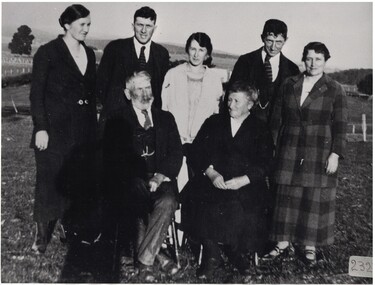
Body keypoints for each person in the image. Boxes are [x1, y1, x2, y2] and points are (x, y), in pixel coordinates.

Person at [264, 42, 348, 265]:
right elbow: (276, 120)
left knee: (312, 197)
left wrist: (336, 153)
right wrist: (273, 146)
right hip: (289, 147)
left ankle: (309, 245)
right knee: (285, 194)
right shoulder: (289, 84)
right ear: (303, 59)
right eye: (309, 58)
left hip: (318, 149)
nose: (313, 63)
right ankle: (281, 243)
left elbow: (340, 125)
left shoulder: (335, 89)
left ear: (325, 61)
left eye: (318, 59)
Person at [184, 81, 274, 280]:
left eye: (236, 101)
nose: (230, 105)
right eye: (229, 99)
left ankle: (238, 253)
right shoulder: (214, 122)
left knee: (245, 206)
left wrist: (246, 179)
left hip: (246, 184)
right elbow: (195, 151)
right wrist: (211, 173)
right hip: (214, 180)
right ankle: (212, 254)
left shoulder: (260, 128)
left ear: (250, 105)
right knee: (199, 200)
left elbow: (267, 162)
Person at [29, 4, 97, 254]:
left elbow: (89, 93)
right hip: (53, 133)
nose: (86, 30)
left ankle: (70, 229)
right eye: (82, 25)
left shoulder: (89, 54)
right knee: (49, 183)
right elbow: (36, 95)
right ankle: (41, 236)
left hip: (81, 134)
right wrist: (41, 128)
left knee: (76, 183)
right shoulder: (48, 53)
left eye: (89, 25)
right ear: (67, 25)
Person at [103, 71, 183, 282]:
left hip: (160, 179)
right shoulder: (117, 119)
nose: (145, 93)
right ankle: (159, 257)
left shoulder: (166, 118)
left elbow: (176, 153)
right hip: (130, 180)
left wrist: (159, 176)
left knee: (168, 201)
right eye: (139, 89)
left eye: (148, 88)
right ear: (128, 94)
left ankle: (146, 261)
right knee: (137, 198)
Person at [96, 6, 170, 116]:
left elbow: (161, 90)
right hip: (118, 119)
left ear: (155, 28)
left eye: (148, 26)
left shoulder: (162, 54)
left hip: (148, 120)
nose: (143, 30)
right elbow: (100, 85)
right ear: (133, 26)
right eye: (140, 25)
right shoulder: (114, 48)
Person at [224, 19, 300, 124]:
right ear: (262, 38)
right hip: (245, 127)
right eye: (269, 41)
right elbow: (231, 95)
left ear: (285, 41)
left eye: (278, 42)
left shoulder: (293, 69)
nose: (273, 47)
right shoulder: (245, 61)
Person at [162, 32, 223, 148]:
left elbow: (216, 113)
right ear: (187, 50)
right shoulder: (173, 74)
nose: (196, 54)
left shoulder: (214, 79)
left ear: (207, 53)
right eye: (193, 49)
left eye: (201, 50)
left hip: (202, 142)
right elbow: (164, 108)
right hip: (175, 140)